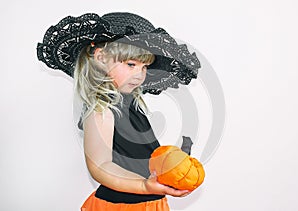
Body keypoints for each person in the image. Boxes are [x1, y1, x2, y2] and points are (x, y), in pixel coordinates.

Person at [37, 12, 201, 211]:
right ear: (100, 58)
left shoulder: (131, 106)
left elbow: (136, 157)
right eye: (131, 64)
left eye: (144, 67)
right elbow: (101, 165)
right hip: (122, 206)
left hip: (149, 202)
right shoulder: (101, 110)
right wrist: (143, 185)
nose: (139, 74)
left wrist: (170, 164)